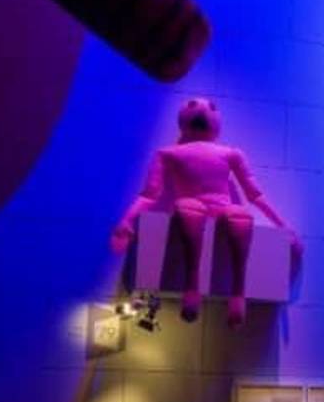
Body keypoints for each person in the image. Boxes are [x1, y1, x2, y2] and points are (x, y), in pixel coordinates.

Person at [111, 98, 303, 326]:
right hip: (191, 205)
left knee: (240, 216)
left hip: (222, 207)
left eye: (210, 107)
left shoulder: (231, 154)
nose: (202, 110)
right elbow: (149, 194)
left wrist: (284, 226)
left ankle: (238, 293)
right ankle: (191, 287)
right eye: (193, 106)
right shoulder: (168, 153)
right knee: (189, 209)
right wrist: (126, 222)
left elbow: (255, 194)